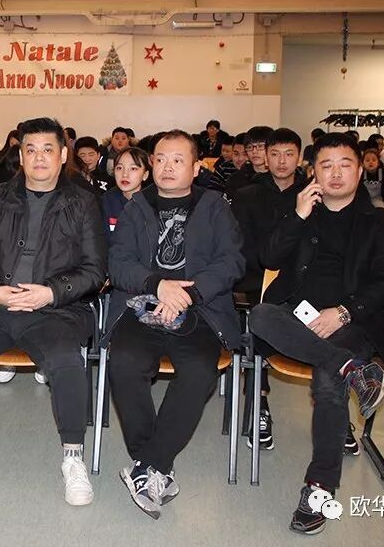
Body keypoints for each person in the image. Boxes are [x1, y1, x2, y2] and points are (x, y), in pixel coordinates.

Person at [0, 117, 106, 506]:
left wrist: (50, 292)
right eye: (31, 150)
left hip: (53, 309)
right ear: (20, 156)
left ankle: (73, 456)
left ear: (63, 155)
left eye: (48, 150)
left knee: (66, 360)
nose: (39, 158)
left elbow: (95, 269)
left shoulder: (82, 202)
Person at [248, 131, 384, 535]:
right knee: (259, 316)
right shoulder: (302, 209)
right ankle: (356, 370)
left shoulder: (378, 220)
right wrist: (297, 216)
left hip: (353, 323)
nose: (335, 174)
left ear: (360, 170)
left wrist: (344, 313)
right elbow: (267, 257)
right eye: (325, 166)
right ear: (312, 172)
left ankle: (319, 487)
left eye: (344, 165)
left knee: (327, 380)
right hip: (296, 318)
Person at [104, 129, 243, 519]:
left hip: (200, 310)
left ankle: (150, 465)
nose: (167, 167)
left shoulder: (214, 206)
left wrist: (189, 294)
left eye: (178, 160)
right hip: (141, 305)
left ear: (197, 168)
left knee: (199, 371)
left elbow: (232, 261)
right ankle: (153, 466)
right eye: (161, 159)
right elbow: (118, 263)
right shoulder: (137, 206)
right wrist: (158, 286)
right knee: (124, 362)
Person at [230, 128, 310, 451]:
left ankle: (333, 406)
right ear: (265, 156)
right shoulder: (248, 194)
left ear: (299, 157)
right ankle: (259, 401)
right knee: (258, 318)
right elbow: (242, 248)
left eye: (289, 154)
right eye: (274, 154)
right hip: (255, 280)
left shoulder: (311, 194)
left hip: (301, 283)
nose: (281, 161)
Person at [102, 146, 150, 242]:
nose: (124, 174)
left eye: (133, 168)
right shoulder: (105, 201)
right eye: (119, 168)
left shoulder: (152, 202)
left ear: (145, 175)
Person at [225, 126, 272, 200]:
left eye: (260, 146)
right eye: (249, 147)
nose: (254, 151)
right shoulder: (236, 179)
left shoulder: (280, 176)